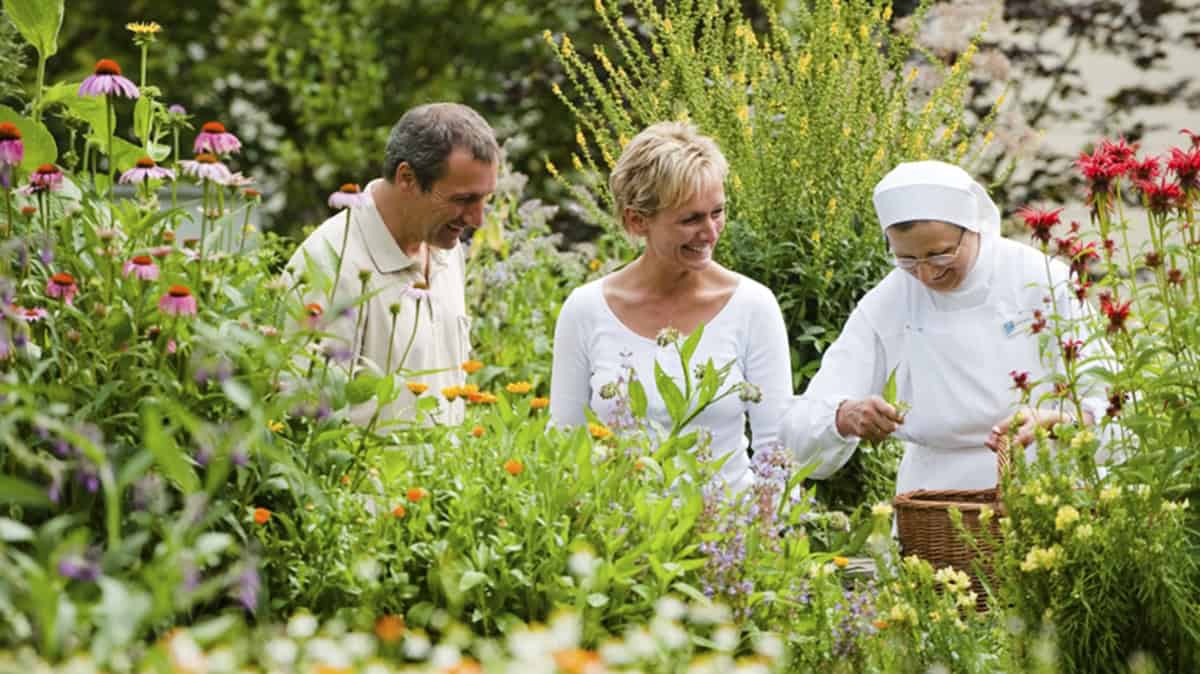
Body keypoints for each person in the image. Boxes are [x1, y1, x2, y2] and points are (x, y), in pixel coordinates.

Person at [782, 160, 1111, 496]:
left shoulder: (1042, 280)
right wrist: (845, 416)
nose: (926, 275)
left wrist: (1056, 420)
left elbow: (1113, 404)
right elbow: (802, 430)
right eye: (907, 260)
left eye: (940, 255)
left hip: (1044, 486)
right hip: (931, 498)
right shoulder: (890, 300)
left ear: (973, 228)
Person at [550, 121, 792, 494]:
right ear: (637, 220)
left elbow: (775, 451)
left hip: (727, 536)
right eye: (691, 219)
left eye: (717, 212)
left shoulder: (753, 306)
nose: (710, 232)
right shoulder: (585, 310)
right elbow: (565, 445)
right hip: (619, 540)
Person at [284, 103, 500, 426]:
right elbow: (306, 421)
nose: (478, 219)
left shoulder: (445, 250)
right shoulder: (328, 265)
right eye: (463, 200)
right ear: (407, 178)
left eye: (485, 199)